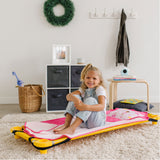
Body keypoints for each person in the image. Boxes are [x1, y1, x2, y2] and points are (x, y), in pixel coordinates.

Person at [54, 64, 107, 135]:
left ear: (99, 81)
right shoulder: (83, 89)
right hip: (84, 122)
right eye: (88, 77)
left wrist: (86, 107)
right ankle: (67, 124)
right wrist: (75, 99)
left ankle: (72, 128)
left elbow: (102, 106)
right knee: (74, 96)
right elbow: (68, 96)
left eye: (94, 78)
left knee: (90, 99)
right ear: (84, 78)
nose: (91, 80)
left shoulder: (99, 89)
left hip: (97, 122)